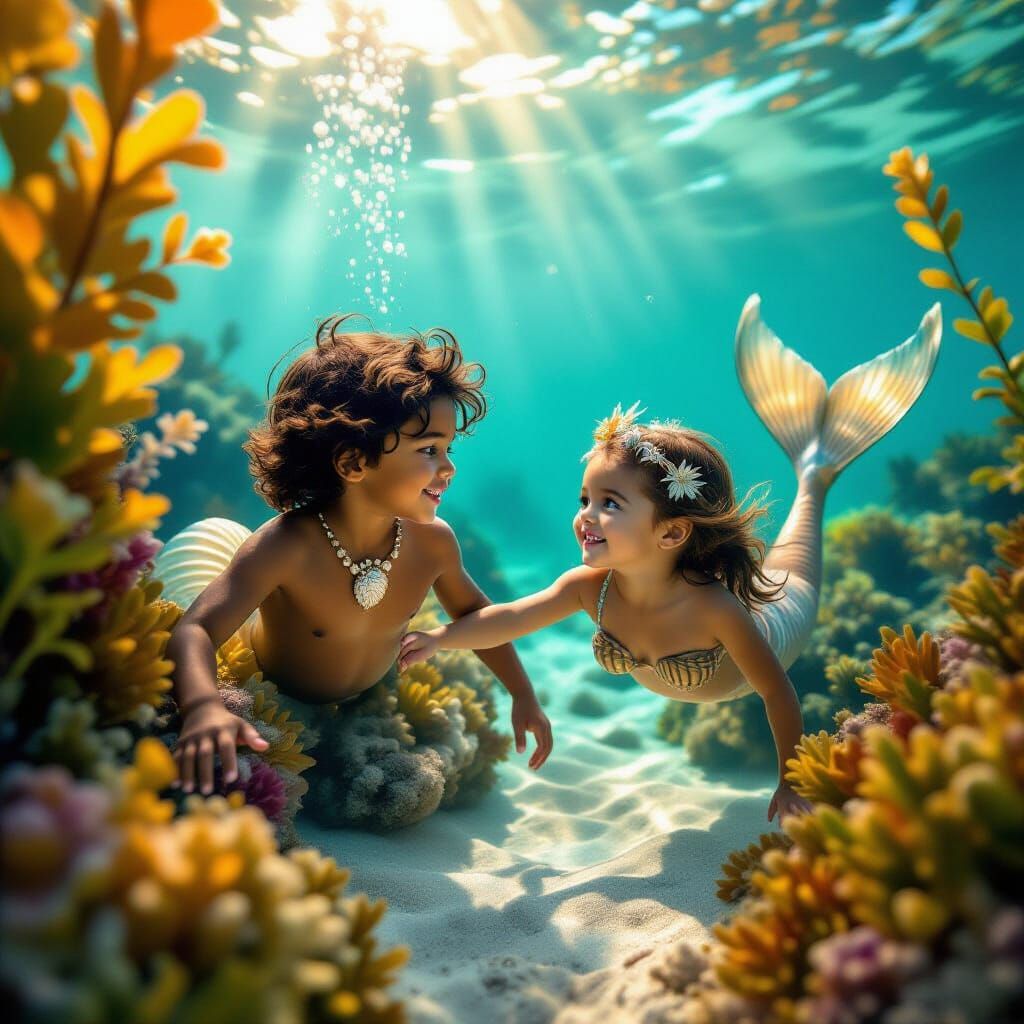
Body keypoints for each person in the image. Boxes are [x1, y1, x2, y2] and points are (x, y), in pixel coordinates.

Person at [400, 294, 942, 824]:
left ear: (672, 532)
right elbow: (513, 617)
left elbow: (777, 691)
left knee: (798, 547)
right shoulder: (591, 585)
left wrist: (789, 780)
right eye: (584, 499)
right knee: (786, 544)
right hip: (736, 610)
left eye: (610, 504)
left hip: (781, 616)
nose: (586, 515)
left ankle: (816, 470)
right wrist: (443, 638)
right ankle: (812, 460)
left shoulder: (714, 610)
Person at [159, 315, 552, 796]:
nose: (448, 468)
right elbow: (195, 629)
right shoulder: (287, 546)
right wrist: (202, 705)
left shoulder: (434, 543)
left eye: (448, 448)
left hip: (368, 700)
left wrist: (522, 692)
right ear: (353, 462)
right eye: (429, 449)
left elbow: (478, 616)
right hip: (272, 695)